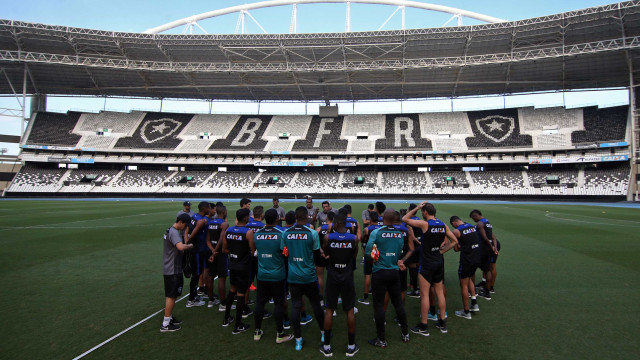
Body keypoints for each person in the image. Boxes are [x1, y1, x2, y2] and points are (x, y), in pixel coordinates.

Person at [402, 202, 458, 335]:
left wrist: (417, 207)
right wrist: (441, 252)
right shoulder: (443, 225)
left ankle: (424, 325)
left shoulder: (425, 224)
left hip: (427, 263)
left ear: (425, 212)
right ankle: (442, 322)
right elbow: (455, 241)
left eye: (423, 211)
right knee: (439, 292)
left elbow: (404, 219)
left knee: (425, 295)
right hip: (438, 261)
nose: (422, 213)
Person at [281, 206, 325, 351]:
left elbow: (284, 252)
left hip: (293, 275)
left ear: (295, 217)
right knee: (316, 304)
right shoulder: (312, 233)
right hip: (309, 275)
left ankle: (298, 340)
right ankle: (323, 333)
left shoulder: (286, 233)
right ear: (306, 217)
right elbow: (317, 256)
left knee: (295, 305)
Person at [365, 209, 410, 348]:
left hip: (380, 272)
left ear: (383, 218)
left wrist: (378, 257)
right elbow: (399, 252)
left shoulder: (376, 232)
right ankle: (405, 333)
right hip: (394, 272)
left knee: (378, 305)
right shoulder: (399, 233)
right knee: (398, 304)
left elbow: (368, 253)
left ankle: (381, 339)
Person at [253, 208, 294, 344]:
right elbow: (285, 253)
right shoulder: (281, 233)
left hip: (262, 273)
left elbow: (255, 251)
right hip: (277, 274)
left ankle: (257, 332)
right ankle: (280, 334)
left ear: (264, 218)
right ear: (277, 219)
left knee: (260, 302)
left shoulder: (257, 234)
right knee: (278, 303)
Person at [320, 213, 359, 357]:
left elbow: (326, 252)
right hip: (347, 275)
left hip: (333, 276)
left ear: (336, 224)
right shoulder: (354, 239)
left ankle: (327, 346)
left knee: (329, 309)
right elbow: (354, 255)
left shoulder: (328, 237)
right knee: (349, 310)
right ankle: (351, 346)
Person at [221, 208, 256, 334]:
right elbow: (253, 250)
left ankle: (226, 318)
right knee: (241, 294)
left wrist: (234, 253)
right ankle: (238, 325)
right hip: (243, 266)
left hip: (232, 264)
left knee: (232, 290)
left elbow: (224, 249)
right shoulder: (248, 232)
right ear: (246, 218)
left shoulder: (228, 231)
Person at [161, 213, 193, 332]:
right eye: (184, 225)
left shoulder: (170, 230)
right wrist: (189, 246)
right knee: (171, 295)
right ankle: (165, 324)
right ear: (180, 222)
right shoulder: (174, 232)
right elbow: (180, 247)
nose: (185, 227)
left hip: (172, 268)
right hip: (172, 269)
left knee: (173, 295)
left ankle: (169, 318)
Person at [449, 216, 481, 319]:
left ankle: (466, 311)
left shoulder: (457, 231)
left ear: (454, 223)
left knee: (463, 284)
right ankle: (474, 303)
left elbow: (456, 249)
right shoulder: (472, 227)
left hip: (467, 259)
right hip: (476, 257)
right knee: (470, 278)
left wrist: (456, 244)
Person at [184, 201, 211, 308]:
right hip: (197, 249)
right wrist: (188, 243)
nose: (209, 209)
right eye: (208, 207)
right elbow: (194, 232)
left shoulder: (193, 216)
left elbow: (187, 231)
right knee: (196, 274)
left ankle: (194, 295)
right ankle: (191, 299)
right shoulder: (201, 220)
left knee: (196, 273)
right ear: (204, 208)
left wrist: (187, 243)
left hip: (194, 249)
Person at [469, 209, 499, 299]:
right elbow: (493, 237)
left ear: (475, 216)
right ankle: (487, 291)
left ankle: (472, 291)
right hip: (489, 249)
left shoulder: (480, 224)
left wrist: (491, 246)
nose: (473, 220)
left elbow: (485, 238)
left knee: (472, 268)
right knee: (487, 270)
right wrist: (494, 247)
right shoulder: (488, 223)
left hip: (482, 249)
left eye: (473, 218)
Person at [207, 205, 229, 312]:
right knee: (221, 278)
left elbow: (207, 239)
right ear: (224, 212)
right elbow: (221, 238)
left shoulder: (210, 222)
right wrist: (216, 251)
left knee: (210, 276)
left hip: (211, 251)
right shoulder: (224, 224)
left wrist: (212, 250)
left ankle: (211, 300)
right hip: (219, 253)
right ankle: (223, 303)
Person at [358, 209, 380, 305]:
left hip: (369, 252)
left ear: (370, 219)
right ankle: (376, 294)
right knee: (376, 273)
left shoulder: (367, 229)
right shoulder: (381, 228)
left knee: (368, 275)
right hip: (377, 252)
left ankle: (366, 297)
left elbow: (362, 239)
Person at [405, 204, 423, 298]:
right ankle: (417, 286)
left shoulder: (409, 222)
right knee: (417, 267)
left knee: (412, 268)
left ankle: (415, 290)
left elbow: (412, 237)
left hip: (414, 246)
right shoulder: (420, 220)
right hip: (420, 247)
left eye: (408, 209)